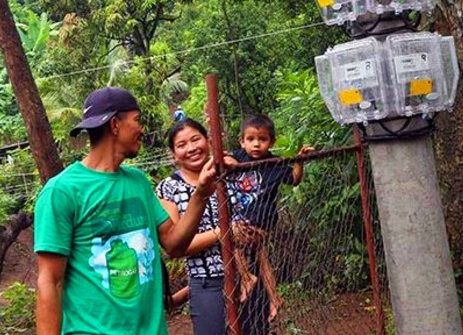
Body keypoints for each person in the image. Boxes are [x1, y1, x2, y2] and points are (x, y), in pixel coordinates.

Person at [34, 87, 217, 335]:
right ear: (115, 125)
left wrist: (202, 193)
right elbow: (49, 281)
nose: (142, 129)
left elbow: (174, 244)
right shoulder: (63, 191)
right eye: (137, 120)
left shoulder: (138, 182)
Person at [227, 114, 313, 331]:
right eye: (251, 139)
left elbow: (294, 179)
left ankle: (247, 278)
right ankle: (274, 298)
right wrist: (233, 163)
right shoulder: (239, 157)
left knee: (229, 239)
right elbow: (224, 160)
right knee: (262, 257)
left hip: (259, 221)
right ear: (242, 141)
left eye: (262, 139)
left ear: (271, 142)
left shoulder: (274, 164)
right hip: (244, 218)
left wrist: (300, 161)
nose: (256, 144)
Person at [155, 118, 238, 335]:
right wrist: (224, 232)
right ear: (173, 154)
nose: (191, 148)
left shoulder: (228, 175)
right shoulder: (168, 188)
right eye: (181, 145)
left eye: (195, 139)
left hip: (245, 273)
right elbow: (177, 245)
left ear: (208, 141)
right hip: (206, 281)